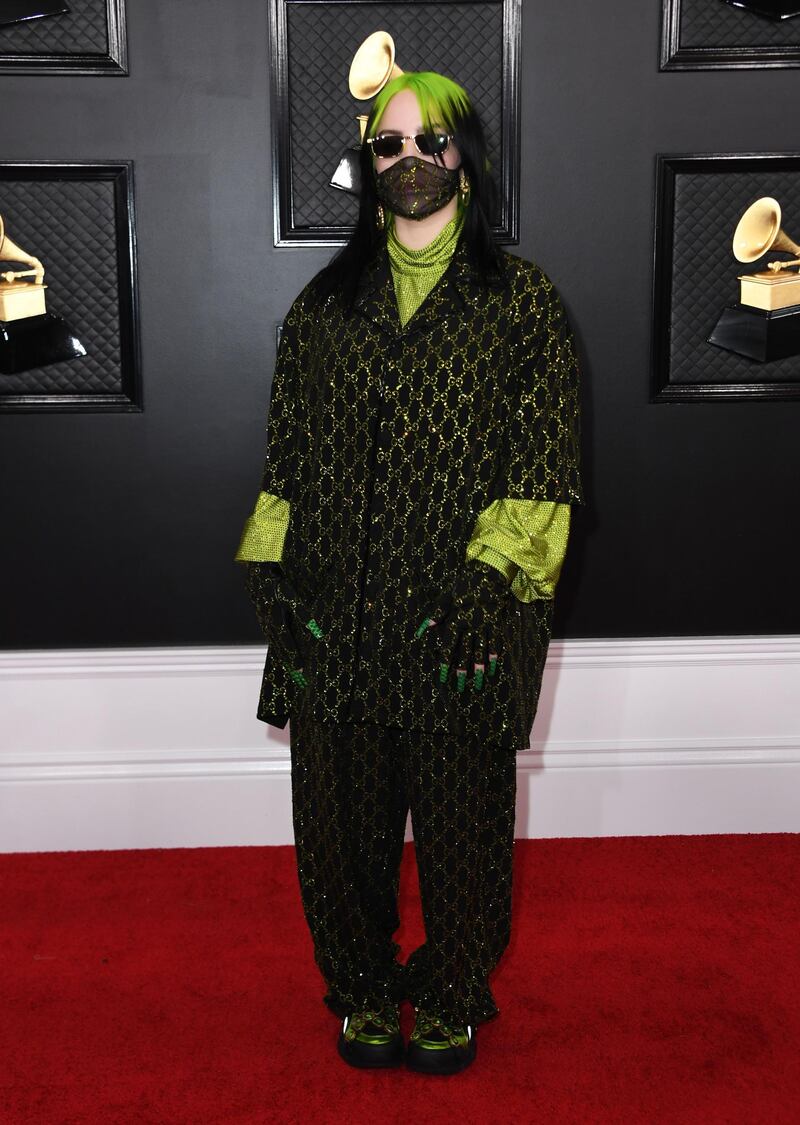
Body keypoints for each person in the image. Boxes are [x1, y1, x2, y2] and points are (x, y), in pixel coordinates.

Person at [234, 70, 582, 1075]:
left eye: (430, 141)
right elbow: (284, 459)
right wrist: (275, 589)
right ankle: (359, 987)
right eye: (387, 147)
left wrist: (481, 593)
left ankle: (450, 991)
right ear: (365, 167)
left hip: (461, 617)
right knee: (339, 833)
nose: (410, 162)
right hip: (335, 612)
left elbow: (542, 469)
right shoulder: (322, 307)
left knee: (464, 829)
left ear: (466, 158)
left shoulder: (523, 305)